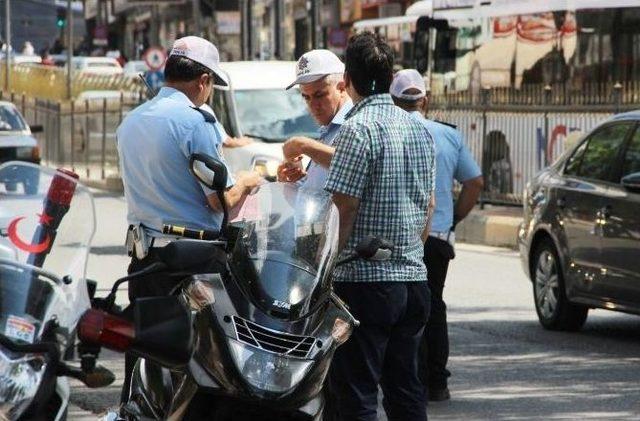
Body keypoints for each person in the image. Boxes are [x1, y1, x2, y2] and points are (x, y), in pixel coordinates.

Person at [115, 36, 262, 403]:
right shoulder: (194, 122)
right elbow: (220, 200)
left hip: (144, 257)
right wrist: (249, 179)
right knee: (204, 360)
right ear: (203, 81)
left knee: (145, 348)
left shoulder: (131, 123)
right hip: (193, 261)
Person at [324, 33, 435, 421]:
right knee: (406, 392)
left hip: (364, 282)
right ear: (389, 79)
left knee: (357, 395)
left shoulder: (357, 130)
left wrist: (326, 267)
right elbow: (429, 206)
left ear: (347, 80)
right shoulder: (421, 129)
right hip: (414, 281)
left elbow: (344, 207)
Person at [390, 69, 484, 402]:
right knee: (434, 306)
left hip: (400, 235)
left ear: (393, 101)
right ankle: (436, 381)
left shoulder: (389, 133)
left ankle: (404, 379)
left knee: (400, 309)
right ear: (425, 100)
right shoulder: (448, 136)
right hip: (439, 234)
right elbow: (474, 183)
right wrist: (454, 217)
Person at [277, 49, 352, 190]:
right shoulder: (329, 128)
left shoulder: (354, 123)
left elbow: (352, 164)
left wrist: (302, 145)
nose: (313, 105)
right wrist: (292, 180)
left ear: (341, 88)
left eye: (319, 95)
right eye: (306, 97)